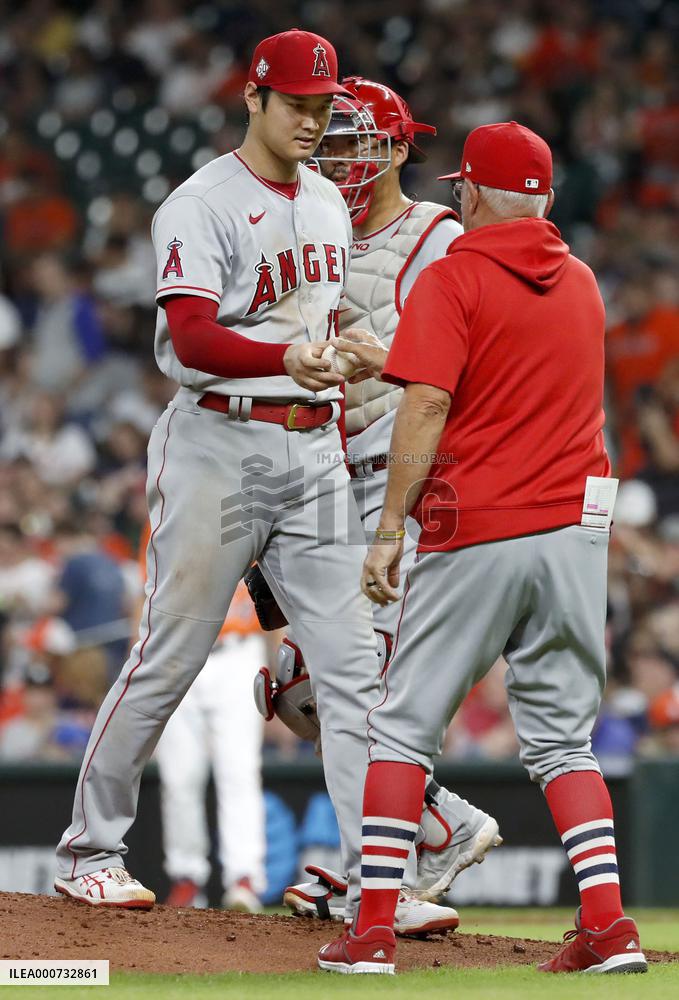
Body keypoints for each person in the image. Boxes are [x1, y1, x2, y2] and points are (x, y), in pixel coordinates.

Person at [52, 29, 436, 931]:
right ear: (254, 99)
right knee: (170, 658)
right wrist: (287, 357)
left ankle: (372, 878)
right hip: (218, 447)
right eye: (297, 104)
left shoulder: (326, 205)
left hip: (310, 454)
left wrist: (338, 355)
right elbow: (190, 341)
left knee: (350, 669)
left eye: (322, 105)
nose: (311, 120)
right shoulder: (202, 202)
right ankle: (89, 852)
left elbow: (316, 321)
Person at [318, 122, 648, 975]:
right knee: (563, 742)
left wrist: (388, 529)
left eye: (461, 185)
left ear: (471, 191)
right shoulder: (581, 283)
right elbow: (507, 378)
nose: (454, 195)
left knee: (397, 731)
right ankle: (607, 926)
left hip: (482, 525)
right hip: (576, 533)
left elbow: (427, 409)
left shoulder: (452, 273)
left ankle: (371, 931)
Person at [281, 78, 501, 931]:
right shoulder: (313, 231)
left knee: (354, 682)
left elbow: (470, 368)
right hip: (324, 480)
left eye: (359, 143)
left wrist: (395, 359)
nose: (340, 158)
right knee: (299, 685)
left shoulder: (441, 236)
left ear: (400, 149)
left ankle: (380, 871)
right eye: (329, 142)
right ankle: (434, 824)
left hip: (409, 484)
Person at [155, 579, 268, 912]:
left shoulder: (253, 522)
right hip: (178, 650)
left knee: (240, 772)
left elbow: (275, 591)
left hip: (239, 649)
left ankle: (243, 879)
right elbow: (144, 592)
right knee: (179, 777)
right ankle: (186, 878)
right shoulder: (161, 524)